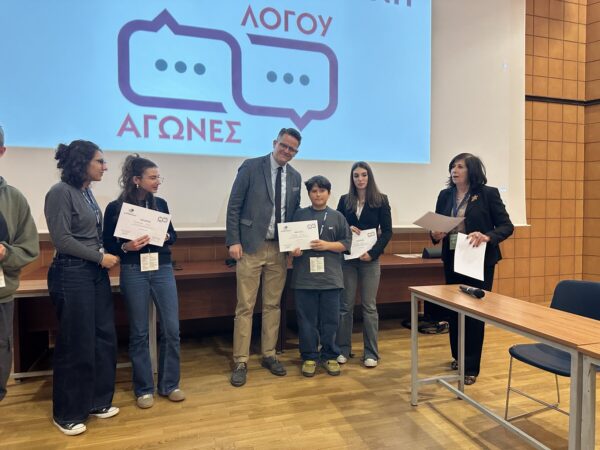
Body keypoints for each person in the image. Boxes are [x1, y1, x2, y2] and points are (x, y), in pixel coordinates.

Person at [45, 140, 120, 435]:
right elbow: (62, 240)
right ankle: (67, 413)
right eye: (99, 161)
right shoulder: (60, 192)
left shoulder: (86, 192)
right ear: (82, 163)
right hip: (72, 272)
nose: (105, 167)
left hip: (94, 273)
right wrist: (100, 258)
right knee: (76, 343)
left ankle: (97, 402)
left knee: (103, 337)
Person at [103, 154, 184, 409]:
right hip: (133, 268)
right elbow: (108, 243)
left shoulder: (160, 204)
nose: (158, 182)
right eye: (153, 177)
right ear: (136, 180)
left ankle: (170, 384)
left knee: (171, 329)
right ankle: (144, 388)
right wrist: (125, 247)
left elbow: (173, 235)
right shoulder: (116, 208)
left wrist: (163, 236)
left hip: (162, 267)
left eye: (159, 177)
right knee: (139, 331)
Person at [226, 128, 303, 387]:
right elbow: (234, 206)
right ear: (274, 143)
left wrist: (294, 243)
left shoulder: (295, 176)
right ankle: (241, 360)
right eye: (284, 146)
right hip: (250, 247)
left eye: (292, 149)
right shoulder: (251, 167)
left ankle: (269, 354)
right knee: (245, 307)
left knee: (273, 305)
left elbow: (293, 214)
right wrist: (233, 240)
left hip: (278, 249)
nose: (287, 151)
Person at [430, 153, 513, 385]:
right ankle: (458, 357)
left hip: (479, 259)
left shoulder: (488, 194)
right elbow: (437, 227)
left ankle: (471, 367)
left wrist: (487, 236)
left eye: (460, 167)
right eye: (452, 167)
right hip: (453, 258)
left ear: (472, 171)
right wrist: (435, 234)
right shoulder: (445, 195)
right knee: (455, 310)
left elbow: (506, 226)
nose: (454, 171)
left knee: (475, 313)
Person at [290, 175, 352, 377]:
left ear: (329, 193)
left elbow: (346, 244)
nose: (318, 195)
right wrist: (293, 251)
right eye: (314, 191)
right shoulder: (299, 215)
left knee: (330, 321)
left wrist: (327, 245)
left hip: (331, 279)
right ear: (309, 194)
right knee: (306, 321)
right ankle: (309, 357)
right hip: (304, 279)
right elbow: (288, 243)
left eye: (322, 191)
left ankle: (330, 355)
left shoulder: (337, 217)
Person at [336, 162, 392, 368]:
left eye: (364, 175)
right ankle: (343, 349)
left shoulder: (381, 200)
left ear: (369, 177)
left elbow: (387, 232)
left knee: (369, 307)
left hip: (370, 260)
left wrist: (373, 253)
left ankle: (371, 353)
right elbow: (336, 226)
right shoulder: (344, 200)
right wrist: (347, 227)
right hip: (348, 261)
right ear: (352, 179)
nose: (360, 179)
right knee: (345, 306)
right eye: (356, 175)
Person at [0, 126, 40, 401]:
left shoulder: (13, 198)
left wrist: (6, 253)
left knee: (2, 349)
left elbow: (29, 248)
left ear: (2, 151)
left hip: (1, 293)